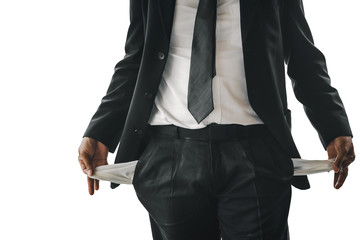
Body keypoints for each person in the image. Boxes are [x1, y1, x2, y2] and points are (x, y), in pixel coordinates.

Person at [78, 0, 355, 239]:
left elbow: (303, 57)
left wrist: (334, 128)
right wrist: (99, 132)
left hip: (256, 155)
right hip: (169, 157)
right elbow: (137, 57)